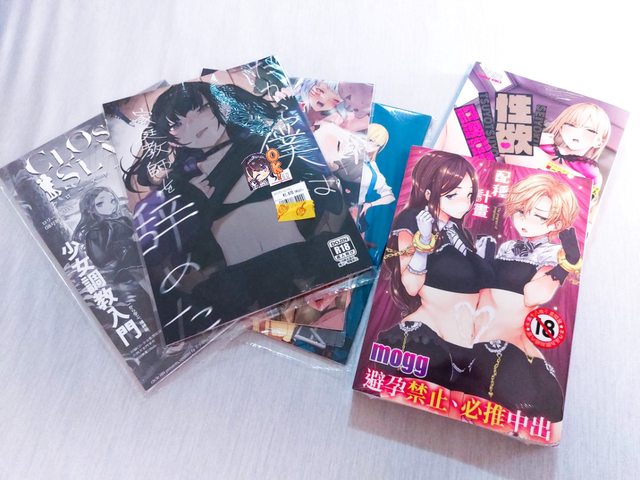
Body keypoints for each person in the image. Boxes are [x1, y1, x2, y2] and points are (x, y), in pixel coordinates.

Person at [376, 150, 494, 389]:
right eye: (453, 195)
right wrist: (424, 242)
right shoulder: (412, 220)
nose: (465, 203)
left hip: (466, 344)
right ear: (429, 193)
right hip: (427, 336)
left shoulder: (459, 231)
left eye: (469, 195)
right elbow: (411, 285)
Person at [474, 173, 582, 422]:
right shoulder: (507, 246)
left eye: (539, 216)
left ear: (557, 223)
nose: (525, 220)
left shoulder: (552, 253)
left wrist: (565, 265)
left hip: (512, 341)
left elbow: (534, 295)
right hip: (480, 332)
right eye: (521, 211)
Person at [72, 186, 143, 285]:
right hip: (127, 267)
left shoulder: (124, 220)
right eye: (100, 203)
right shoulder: (94, 233)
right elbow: (100, 259)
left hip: (141, 255)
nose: (109, 205)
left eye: (112, 201)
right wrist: (129, 241)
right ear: (90, 209)